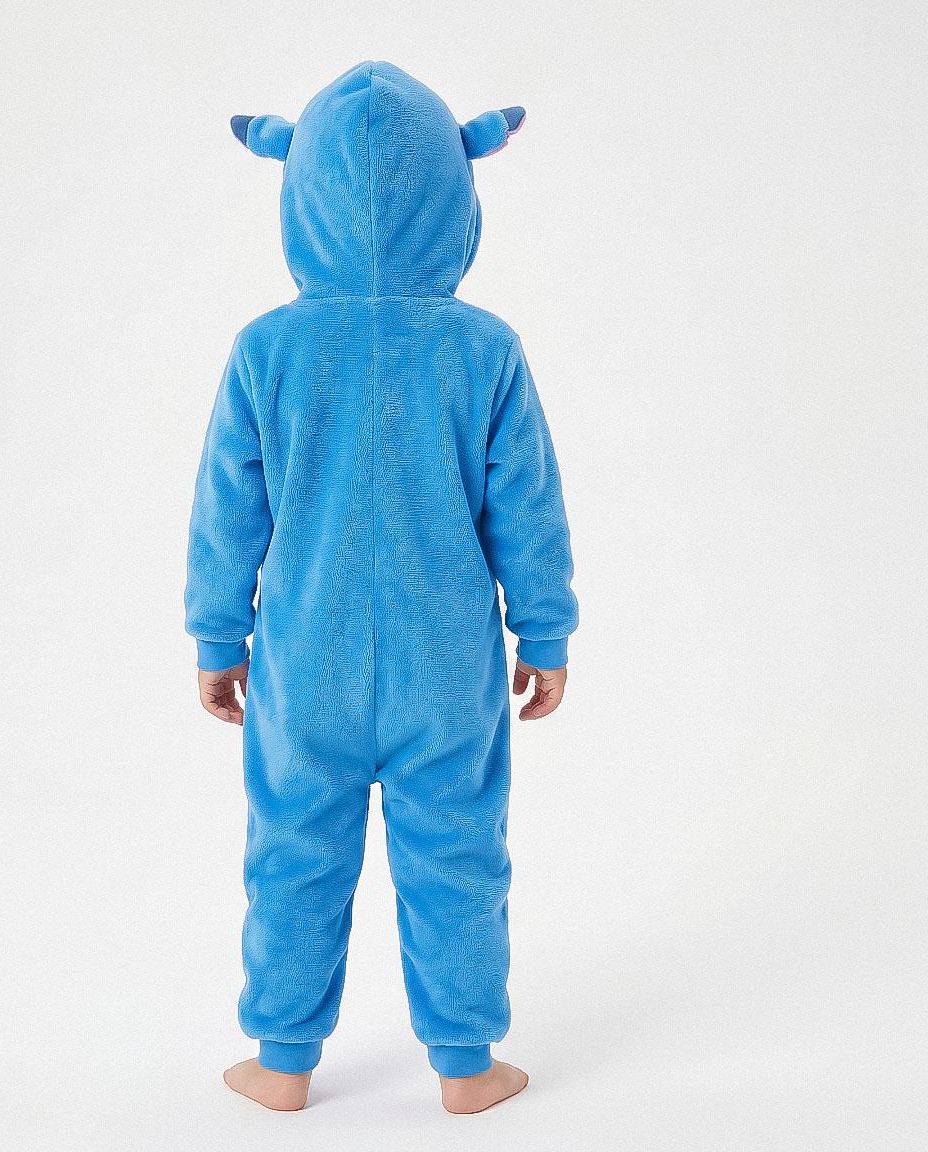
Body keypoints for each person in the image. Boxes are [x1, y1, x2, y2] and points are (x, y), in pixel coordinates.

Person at [184, 60, 578, 1115]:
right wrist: (544, 633)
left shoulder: (267, 350)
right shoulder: (483, 350)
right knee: (458, 855)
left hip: (303, 662)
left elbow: (229, 510)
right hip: (445, 668)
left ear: (298, 193)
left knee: (291, 855)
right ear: (455, 194)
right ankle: (467, 1065)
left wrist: (219, 637)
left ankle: (281, 1062)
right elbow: (528, 508)